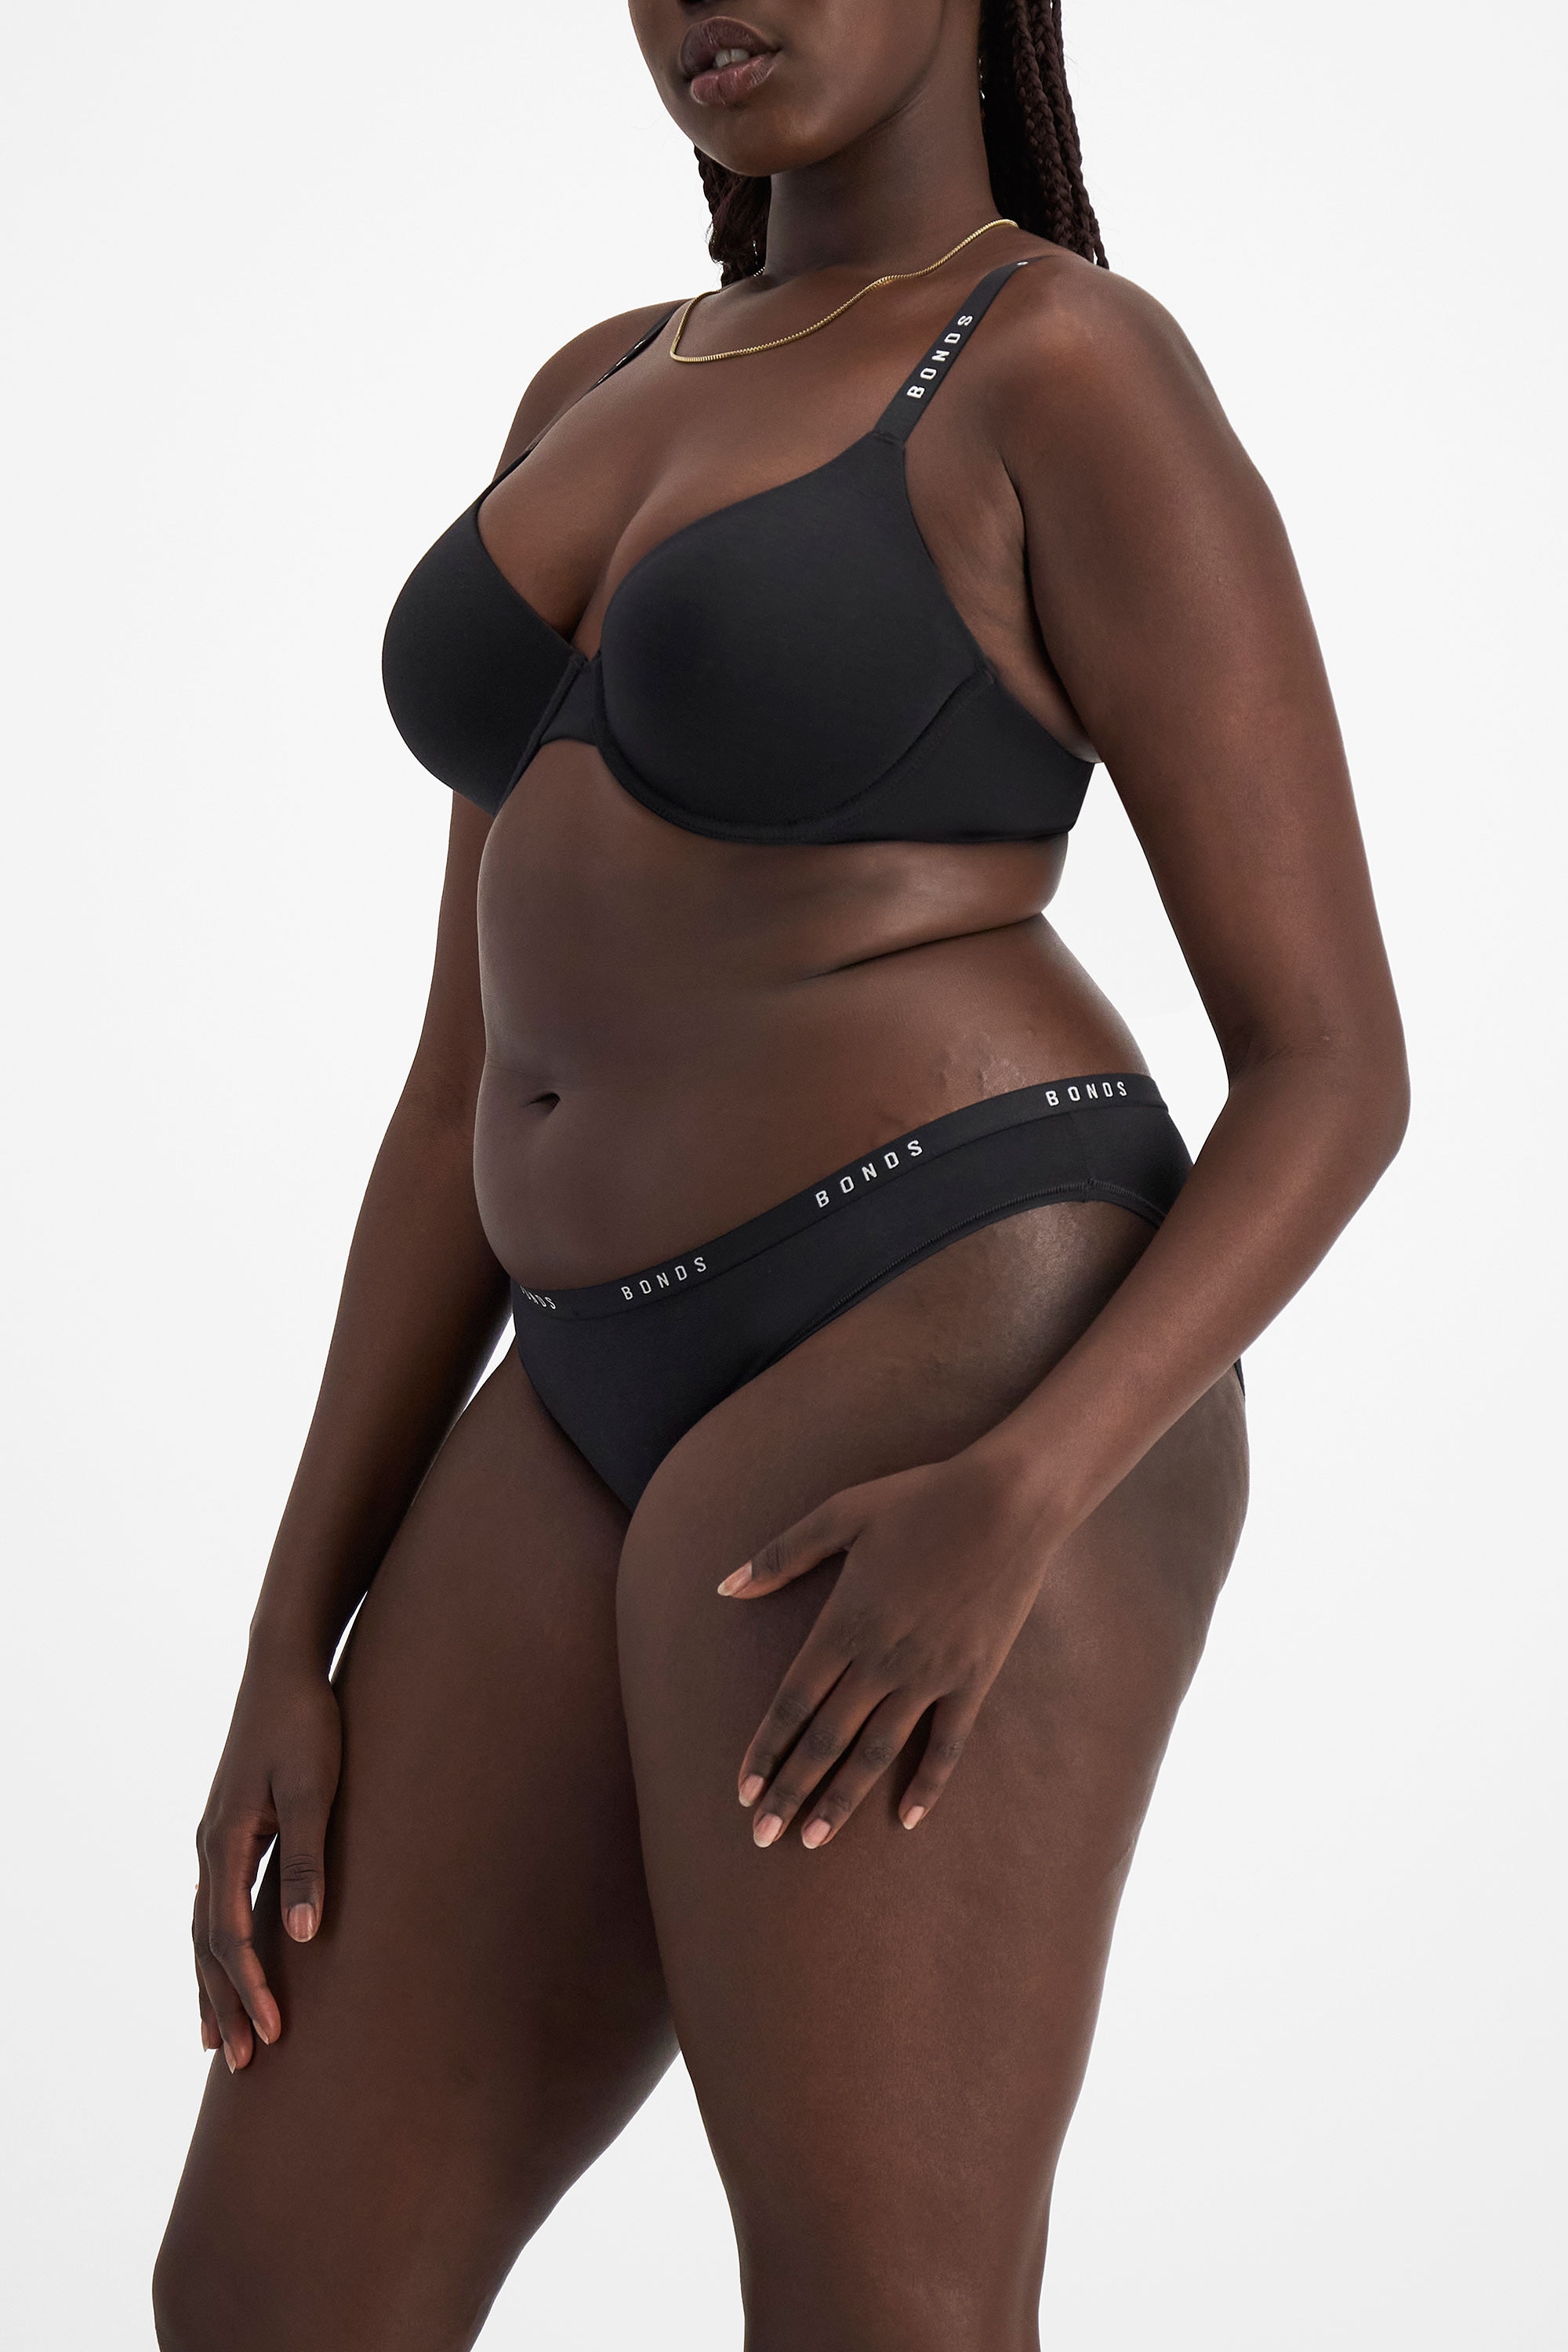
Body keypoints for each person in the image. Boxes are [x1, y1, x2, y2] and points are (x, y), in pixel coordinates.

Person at [153, 3, 1406, 2346]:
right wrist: (285, 1633)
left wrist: (1025, 1494)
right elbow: (458, 1081)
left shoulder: (1063, 370)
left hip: (956, 1340)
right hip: (569, 1380)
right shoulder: (592, 383)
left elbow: (1334, 1068)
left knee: (876, 2309)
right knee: (265, 2292)